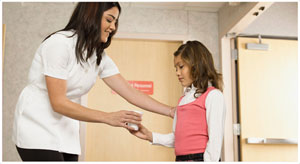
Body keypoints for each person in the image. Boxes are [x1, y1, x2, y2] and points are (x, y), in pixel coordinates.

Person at [12, 2, 175, 161]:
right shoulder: (59, 44)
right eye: (109, 19)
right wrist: (108, 117)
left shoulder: (98, 56)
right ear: (91, 16)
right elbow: (58, 102)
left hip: (66, 130)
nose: (113, 27)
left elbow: (130, 92)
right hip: (37, 125)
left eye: (116, 22)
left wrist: (171, 111)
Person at [130, 41, 226, 162]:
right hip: (181, 159)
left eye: (181, 67)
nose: (177, 73)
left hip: (199, 158)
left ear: (197, 65)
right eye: (176, 68)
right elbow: (178, 138)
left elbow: (215, 141)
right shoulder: (183, 99)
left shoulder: (213, 96)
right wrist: (150, 136)